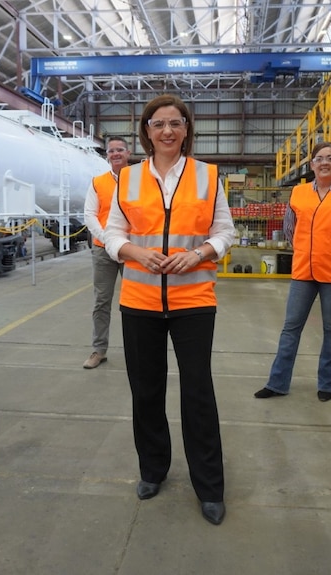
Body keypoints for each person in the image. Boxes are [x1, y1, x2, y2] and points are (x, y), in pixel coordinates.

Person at [102, 94, 235, 525]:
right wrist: (135, 253)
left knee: (198, 394)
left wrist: (197, 256)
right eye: (158, 124)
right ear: (147, 131)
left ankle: (210, 487)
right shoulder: (127, 178)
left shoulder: (209, 176)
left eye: (175, 123)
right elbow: (111, 232)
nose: (167, 131)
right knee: (147, 391)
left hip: (193, 300)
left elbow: (225, 232)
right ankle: (152, 469)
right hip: (139, 300)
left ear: (186, 129)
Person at [254, 141, 331, 403]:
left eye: (330, 158)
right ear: (312, 164)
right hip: (304, 270)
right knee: (290, 328)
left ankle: (326, 384)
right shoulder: (299, 193)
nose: (324, 162)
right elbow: (290, 228)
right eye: (319, 158)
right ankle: (277, 382)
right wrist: (307, 250)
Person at [81, 136, 130, 369]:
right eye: (112, 151)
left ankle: (137, 350)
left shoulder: (141, 180)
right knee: (101, 301)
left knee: (136, 303)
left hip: (132, 251)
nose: (116, 154)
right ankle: (99, 350)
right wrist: (108, 239)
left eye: (120, 149)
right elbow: (90, 214)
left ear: (128, 153)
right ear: (107, 155)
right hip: (103, 251)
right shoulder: (98, 182)